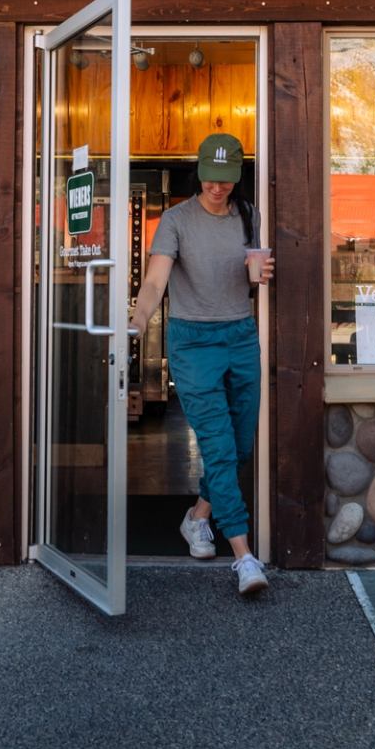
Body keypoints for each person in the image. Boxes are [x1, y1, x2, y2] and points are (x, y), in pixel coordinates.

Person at [130, 132, 273, 596]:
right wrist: (136, 320)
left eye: (226, 178)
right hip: (193, 344)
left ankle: (197, 518)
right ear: (199, 173)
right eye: (211, 178)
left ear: (237, 176)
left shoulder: (249, 217)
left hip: (240, 336)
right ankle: (244, 557)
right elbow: (155, 281)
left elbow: (254, 277)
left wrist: (262, 277)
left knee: (241, 447)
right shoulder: (175, 220)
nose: (218, 187)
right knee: (219, 447)